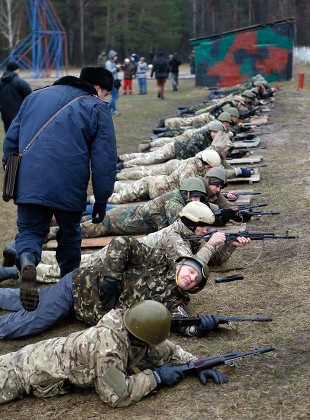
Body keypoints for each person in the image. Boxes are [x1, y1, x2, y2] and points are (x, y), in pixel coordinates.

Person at [0, 202, 250, 338]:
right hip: (79, 287)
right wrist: (110, 279)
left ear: (194, 289)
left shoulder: (176, 301)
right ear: (181, 263)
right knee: (33, 321)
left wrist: (200, 328)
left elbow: (175, 324)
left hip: (85, 308)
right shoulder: (159, 260)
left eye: (195, 280)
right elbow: (121, 244)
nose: (190, 277)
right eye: (190, 270)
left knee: (25, 301)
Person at [2, 66, 117, 312]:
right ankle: (69, 284)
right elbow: (104, 161)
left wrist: (13, 172)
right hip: (70, 184)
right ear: (98, 88)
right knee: (70, 233)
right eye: (106, 93)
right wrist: (101, 200)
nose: (105, 98)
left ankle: (27, 261)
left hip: (29, 181)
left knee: (30, 231)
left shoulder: (34, 96)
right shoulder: (96, 107)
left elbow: (11, 140)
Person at [0, 300, 228, 406]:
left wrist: (197, 364)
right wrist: (156, 377)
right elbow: (116, 395)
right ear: (140, 336)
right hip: (20, 372)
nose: (155, 346)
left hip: (39, 356)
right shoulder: (108, 347)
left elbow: (169, 351)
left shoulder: (134, 326)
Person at [108, 149, 219, 203]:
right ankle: (94, 200)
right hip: (153, 186)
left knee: (127, 190)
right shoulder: (189, 169)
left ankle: (114, 185)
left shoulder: (199, 168)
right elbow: (187, 193)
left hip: (158, 190)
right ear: (207, 164)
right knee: (121, 198)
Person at [117, 120, 221, 170]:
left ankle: (123, 158)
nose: (215, 135)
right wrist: (202, 156)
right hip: (174, 149)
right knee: (149, 159)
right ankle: (123, 164)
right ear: (210, 130)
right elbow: (190, 147)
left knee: (147, 158)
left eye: (217, 133)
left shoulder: (211, 139)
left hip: (178, 154)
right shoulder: (201, 135)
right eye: (214, 132)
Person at [0, 61, 32, 132]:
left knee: (8, 134)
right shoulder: (20, 82)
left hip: (5, 114)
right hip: (18, 114)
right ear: (16, 69)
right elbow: (30, 97)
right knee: (19, 134)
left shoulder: (1, 82)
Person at [105, 50, 121, 115]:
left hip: (115, 81)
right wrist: (116, 69)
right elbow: (109, 72)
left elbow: (115, 72)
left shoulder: (113, 63)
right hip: (111, 81)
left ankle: (108, 109)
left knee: (116, 96)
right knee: (114, 96)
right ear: (112, 56)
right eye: (115, 56)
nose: (116, 57)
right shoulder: (108, 63)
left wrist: (118, 69)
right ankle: (114, 110)